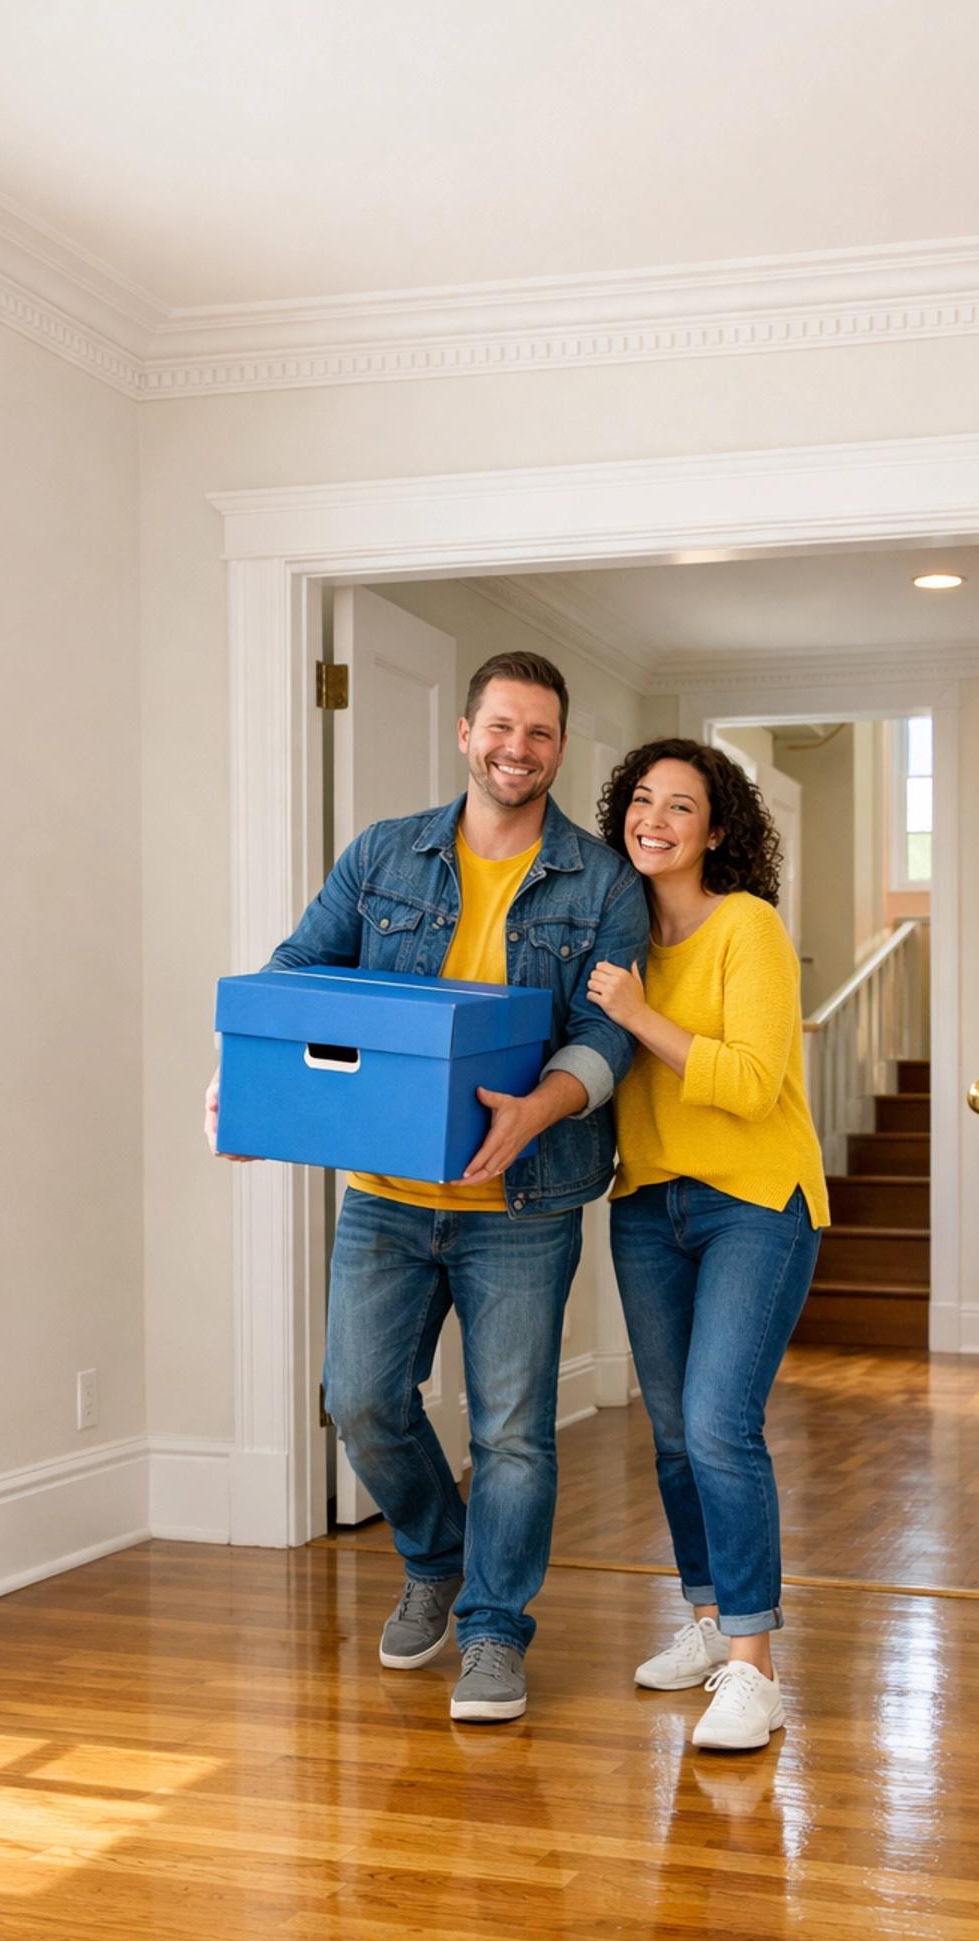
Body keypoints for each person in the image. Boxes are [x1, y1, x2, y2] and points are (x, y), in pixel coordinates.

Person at [207, 652, 647, 1723]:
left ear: (559, 747)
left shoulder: (602, 882)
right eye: (501, 726)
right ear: (465, 732)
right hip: (388, 1196)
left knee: (512, 1433)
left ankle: (495, 1631)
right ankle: (436, 1558)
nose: (517, 749)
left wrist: (539, 1107)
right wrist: (248, 1084)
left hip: (525, 1204)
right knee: (360, 1400)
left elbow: (606, 1035)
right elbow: (298, 970)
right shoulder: (383, 854)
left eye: (539, 733)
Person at [587, 739, 829, 1753]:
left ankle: (754, 1669)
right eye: (642, 800)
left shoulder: (747, 927)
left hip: (754, 1204)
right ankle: (707, 1620)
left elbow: (752, 1083)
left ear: (717, 829)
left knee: (721, 1423)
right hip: (648, 1203)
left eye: (681, 805)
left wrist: (639, 1015)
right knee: (677, 1434)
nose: (655, 819)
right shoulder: (617, 935)